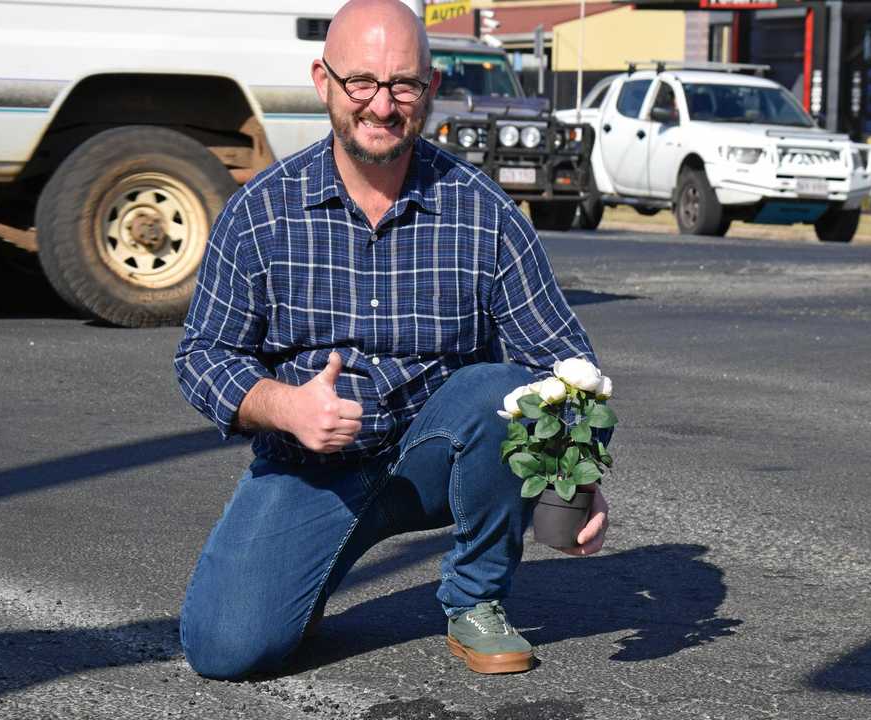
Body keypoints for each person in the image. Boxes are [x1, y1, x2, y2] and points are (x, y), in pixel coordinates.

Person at [173, 0, 608, 680]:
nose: (382, 105)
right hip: (309, 466)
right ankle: (305, 572)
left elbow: (565, 363)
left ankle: (475, 600)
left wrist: (573, 474)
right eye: (362, 83)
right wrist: (284, 407)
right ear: (324, 82)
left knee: (505, 393)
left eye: (404, 84)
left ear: (430, 90)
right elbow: (203, 355)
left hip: (435, 460)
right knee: (227, 648)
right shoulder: (260, 213)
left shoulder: (482, 212)